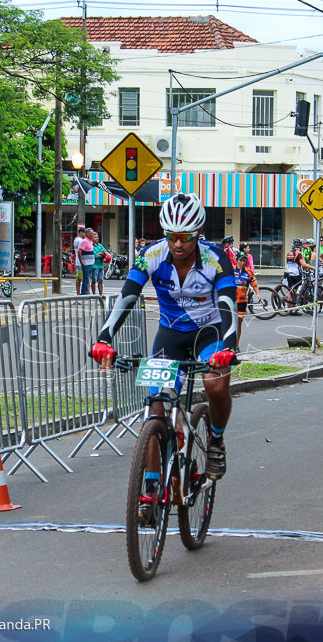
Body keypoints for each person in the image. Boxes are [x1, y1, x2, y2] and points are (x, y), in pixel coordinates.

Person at [91, 193, 237, 483]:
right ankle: (150, 488)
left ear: (199, 233)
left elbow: (227, 306)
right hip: (170, 335)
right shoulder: (152, 256)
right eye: (171, 236)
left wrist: (229, 346)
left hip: (209, 334)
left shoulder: (216, 259)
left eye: (185, 237)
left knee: (214, 382)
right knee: (156, 406)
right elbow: (127, 296)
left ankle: (216, 441)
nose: (178, 244)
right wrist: (104, 338)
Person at [233, 252, 260, 346]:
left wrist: (258, 294)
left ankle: (236, 345)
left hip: (242, 301)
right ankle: (228, 345)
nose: (243, 262)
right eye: (241, 260)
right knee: (229, 324)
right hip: (231, 301)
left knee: (238, 324)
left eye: (245, 260)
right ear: (236, 260)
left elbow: (254, 284)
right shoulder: (230, 270)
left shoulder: (249, 272)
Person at [77, 227, 95, 296]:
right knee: (86, 278)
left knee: (87, 278)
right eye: (91, 233)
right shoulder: (84, 241)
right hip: (86, 263)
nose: (92, 234)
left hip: (90, 262)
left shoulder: (90, 241)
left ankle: (85, 292)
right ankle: (84, 292)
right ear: (87, 234)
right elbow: (80, 251)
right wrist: (81, 261)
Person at [91, 231, 109, 296]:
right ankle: (94, 294)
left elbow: (106, 253)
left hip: (101, 266)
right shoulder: (91, 246)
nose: (97, 238)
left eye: (97, 237)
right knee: (94, 280)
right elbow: (95, 255)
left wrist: (101, 253)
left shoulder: (100, 245)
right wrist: (101, 254)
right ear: (92, 238)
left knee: (101, 281)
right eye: (95, 237)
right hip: (94, 266)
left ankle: (101, 295)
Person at [73, 224, 86, 295]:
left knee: (78, 278)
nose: (85, 234)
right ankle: (83, 293)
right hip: (81, 262)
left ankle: (78, 293)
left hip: (77, 261)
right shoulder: (81, 241)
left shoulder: (75, 240)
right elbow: (81, 251)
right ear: (80, 233)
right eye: (84, 233)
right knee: (83, 279)